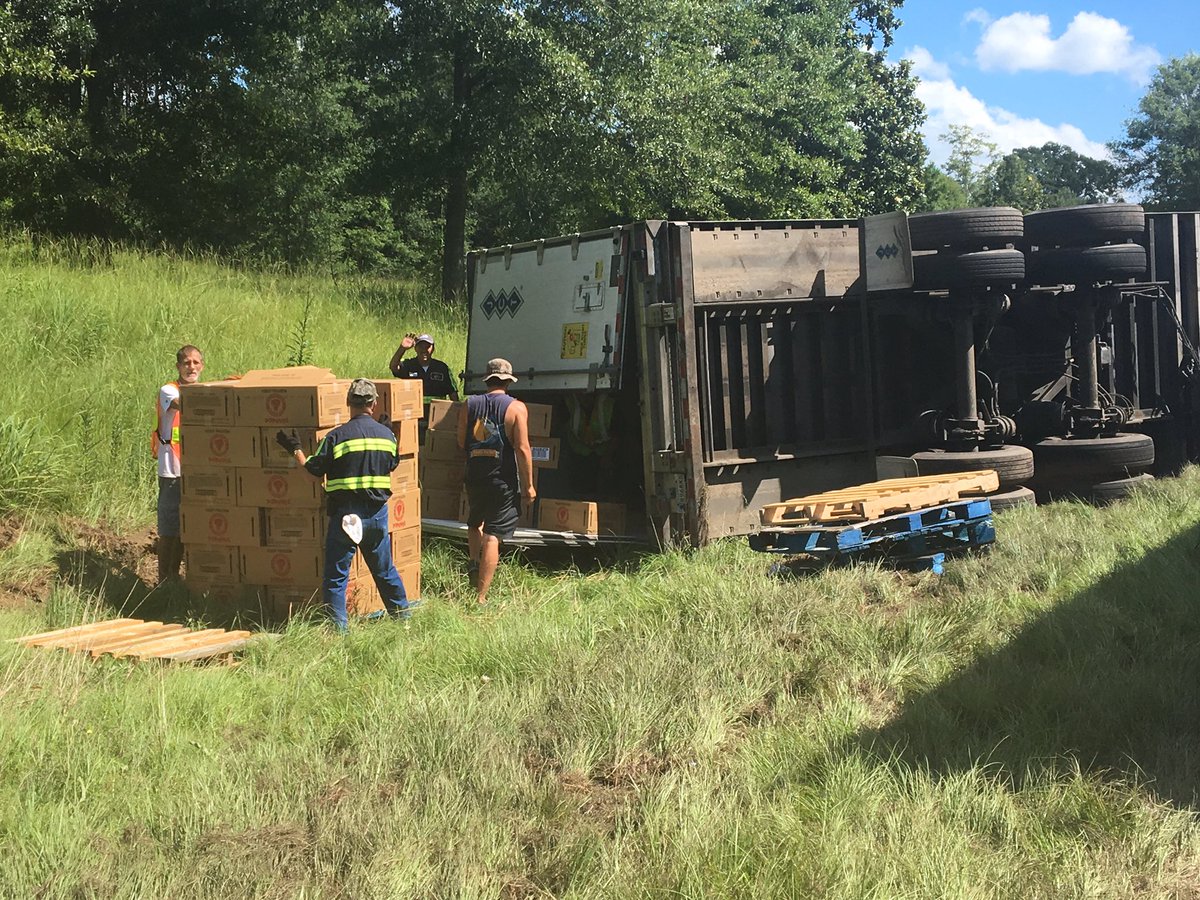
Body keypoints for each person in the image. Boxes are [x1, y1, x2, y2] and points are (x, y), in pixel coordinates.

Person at [275, 379, 415, 630]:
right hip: (376, 515)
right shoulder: (388, 436)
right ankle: (403, 621)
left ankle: (340, 633)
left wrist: (295, 449)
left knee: (336, 579)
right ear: (374, 403)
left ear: (348, 402)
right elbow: (392, 464)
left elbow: (313, 472)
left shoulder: (336, 437)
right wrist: (382, 436)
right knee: (385, 571)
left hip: (347, 517)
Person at [457, 358, 536, 605]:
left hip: (474, 474)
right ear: (508, 381)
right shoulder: (516, 408)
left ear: (487, 379)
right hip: (501, 478)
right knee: (492, 534)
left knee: (474, 522)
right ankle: (481, 596)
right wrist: (529, 485)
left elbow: (462, 442)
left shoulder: (469, 404)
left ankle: (473, 563)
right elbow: (522, 449)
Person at [155, 344, 204, 584]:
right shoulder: (169, 390)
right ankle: (165, 580)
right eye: (186, 363)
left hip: (195, 472)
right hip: (171, 471)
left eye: (195, 363)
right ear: (178, 366)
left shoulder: (205, 392)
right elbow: (183, 404)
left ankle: (177, 579)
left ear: (202, 366)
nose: (191, 367)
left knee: (189, 529)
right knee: (170, 528)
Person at [389, 332, 459, 401]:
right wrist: (402, 348)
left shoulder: (442, 368)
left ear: (433, 348)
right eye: (421, 347)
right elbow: (393, 367)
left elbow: (453, 393)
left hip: (437, 411)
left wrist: (457, 410)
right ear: (415, 348)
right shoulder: (408, 365)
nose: (424, 350)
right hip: (414, 411)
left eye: (427, 347)